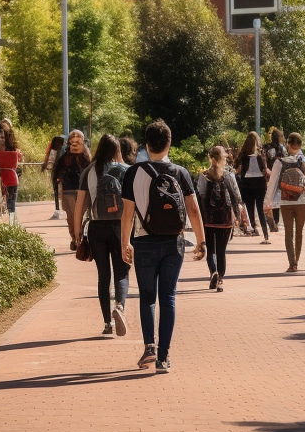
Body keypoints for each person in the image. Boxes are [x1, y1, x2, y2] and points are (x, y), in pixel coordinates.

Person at [121, 120, 204, 374]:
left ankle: (149, 347)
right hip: (173, 243)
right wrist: (201, 241)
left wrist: (124, 242)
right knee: (168, 297)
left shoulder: (133, 173)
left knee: (147, 297)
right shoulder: (180, 172)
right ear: (169, 143)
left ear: (147, 144)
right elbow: (193, 209)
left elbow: (127, 213)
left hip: (143, 242)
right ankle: (164, 358)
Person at [72, 134, 130, 337]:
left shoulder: (89, 170)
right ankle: (120, 307)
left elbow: (80, 203)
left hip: (96, 227)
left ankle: (107, 323)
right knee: (122, 271)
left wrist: (77, 229)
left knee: (103, 275)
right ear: (117, 150)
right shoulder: (124, 170)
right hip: (120, 226)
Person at [263, 132, 305, 272]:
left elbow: (272, 183)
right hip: (301, 200)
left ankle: (292, 263)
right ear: (300, 144)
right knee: (299, 232)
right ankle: (297, 259)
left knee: (289, 233)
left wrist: (268, 202)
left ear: (288, 144)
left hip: (285, 201)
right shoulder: (304, 161)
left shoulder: (279, 162)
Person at [196, 145, 246, 292]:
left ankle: (213, 272)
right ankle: (220, 279)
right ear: (223, 158)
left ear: (210, 158)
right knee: (221, 251)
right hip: (225, 218)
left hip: (208, 218)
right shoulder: (229, 176)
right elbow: (237, 197)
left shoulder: (203, 176)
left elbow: (200, 195)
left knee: (211, 249)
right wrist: (238, 215)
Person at [54, 130, 91, 247]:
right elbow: (57, 172)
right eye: (73, 137)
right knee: (71, 216)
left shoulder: (86, 157)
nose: (75, 139)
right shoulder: (64, 157)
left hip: (84, 190)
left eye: (78, 137)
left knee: (81, 214)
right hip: (68, 189)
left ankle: (80, 237)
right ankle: (75, 238)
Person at [235, 131, 272, 244]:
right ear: (256, 142)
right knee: (260, 208)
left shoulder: (242, 155)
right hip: (259, 183)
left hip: (247, 183)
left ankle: (254, 228)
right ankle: (265, 233)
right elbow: (265, 169)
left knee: (250, 207)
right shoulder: (261, 155)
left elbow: (238, 169)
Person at [0, 121, 24, 225]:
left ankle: (11, 225)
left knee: (11, 206)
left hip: (11, 180)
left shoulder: (14, 150)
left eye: (3, 137)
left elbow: (18, 162)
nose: (1, 140)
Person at [263, 128, 288, 232]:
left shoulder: (266, 147)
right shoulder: (282, 148)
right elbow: (285, 161)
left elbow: (264, 159)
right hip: (278, 175)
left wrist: (266, 169)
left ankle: (271, 219)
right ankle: (276, 221)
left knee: (269, 196)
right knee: (276, 198)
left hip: (269, 175)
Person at [42, 133, 65, 215]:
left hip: (56, 172)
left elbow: (50, 164)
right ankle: (63, 207)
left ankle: (57, 208)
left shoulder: (53, 151)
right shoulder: (65, 150)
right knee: (64, 190)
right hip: (64, 173)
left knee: (56, 190)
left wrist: (46, 167)